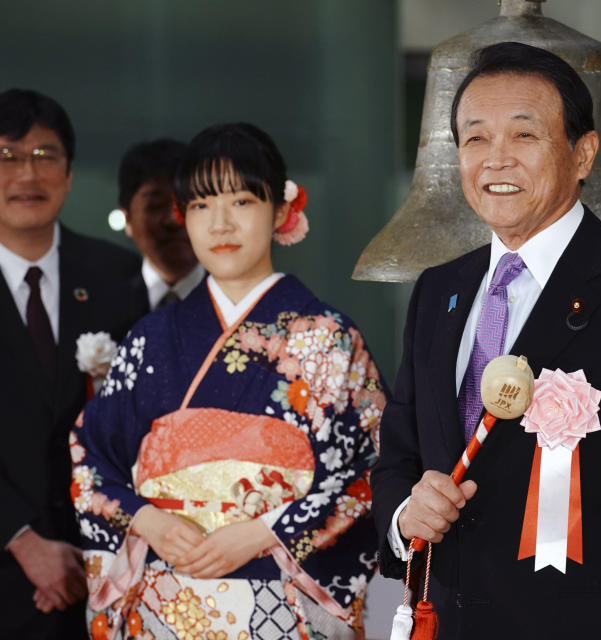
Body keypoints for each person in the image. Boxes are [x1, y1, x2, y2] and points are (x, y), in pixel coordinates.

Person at [371, 42, 601, 639]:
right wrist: (406, 515)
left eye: (524, 136)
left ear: (583, 154)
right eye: (475, 138)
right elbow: (400, 453)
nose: (495, 159)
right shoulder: (438, 290)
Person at [72, 123, 387, 639]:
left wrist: (262, 532)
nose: (220, 224)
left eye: (241, 201)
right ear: (184, 216)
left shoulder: (327, 338)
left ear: (282, 211)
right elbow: (90, 456)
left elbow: (369, 470)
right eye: (200, 206)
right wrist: (148, 521)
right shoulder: (153, 337)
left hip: (282, 600)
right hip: (166, 595)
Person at [0, 88, 148, 639]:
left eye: (45, 156)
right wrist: (20, 539)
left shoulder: (117, 276)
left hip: (104, 573)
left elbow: (143, 421)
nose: (27, 174)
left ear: (68, 172)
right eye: (7, 156)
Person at [118, 138, 205, 309]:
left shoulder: (239, 301)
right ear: (127, 218)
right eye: (155, 206)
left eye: (186, 205)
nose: (173, 220)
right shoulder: (105, 304)